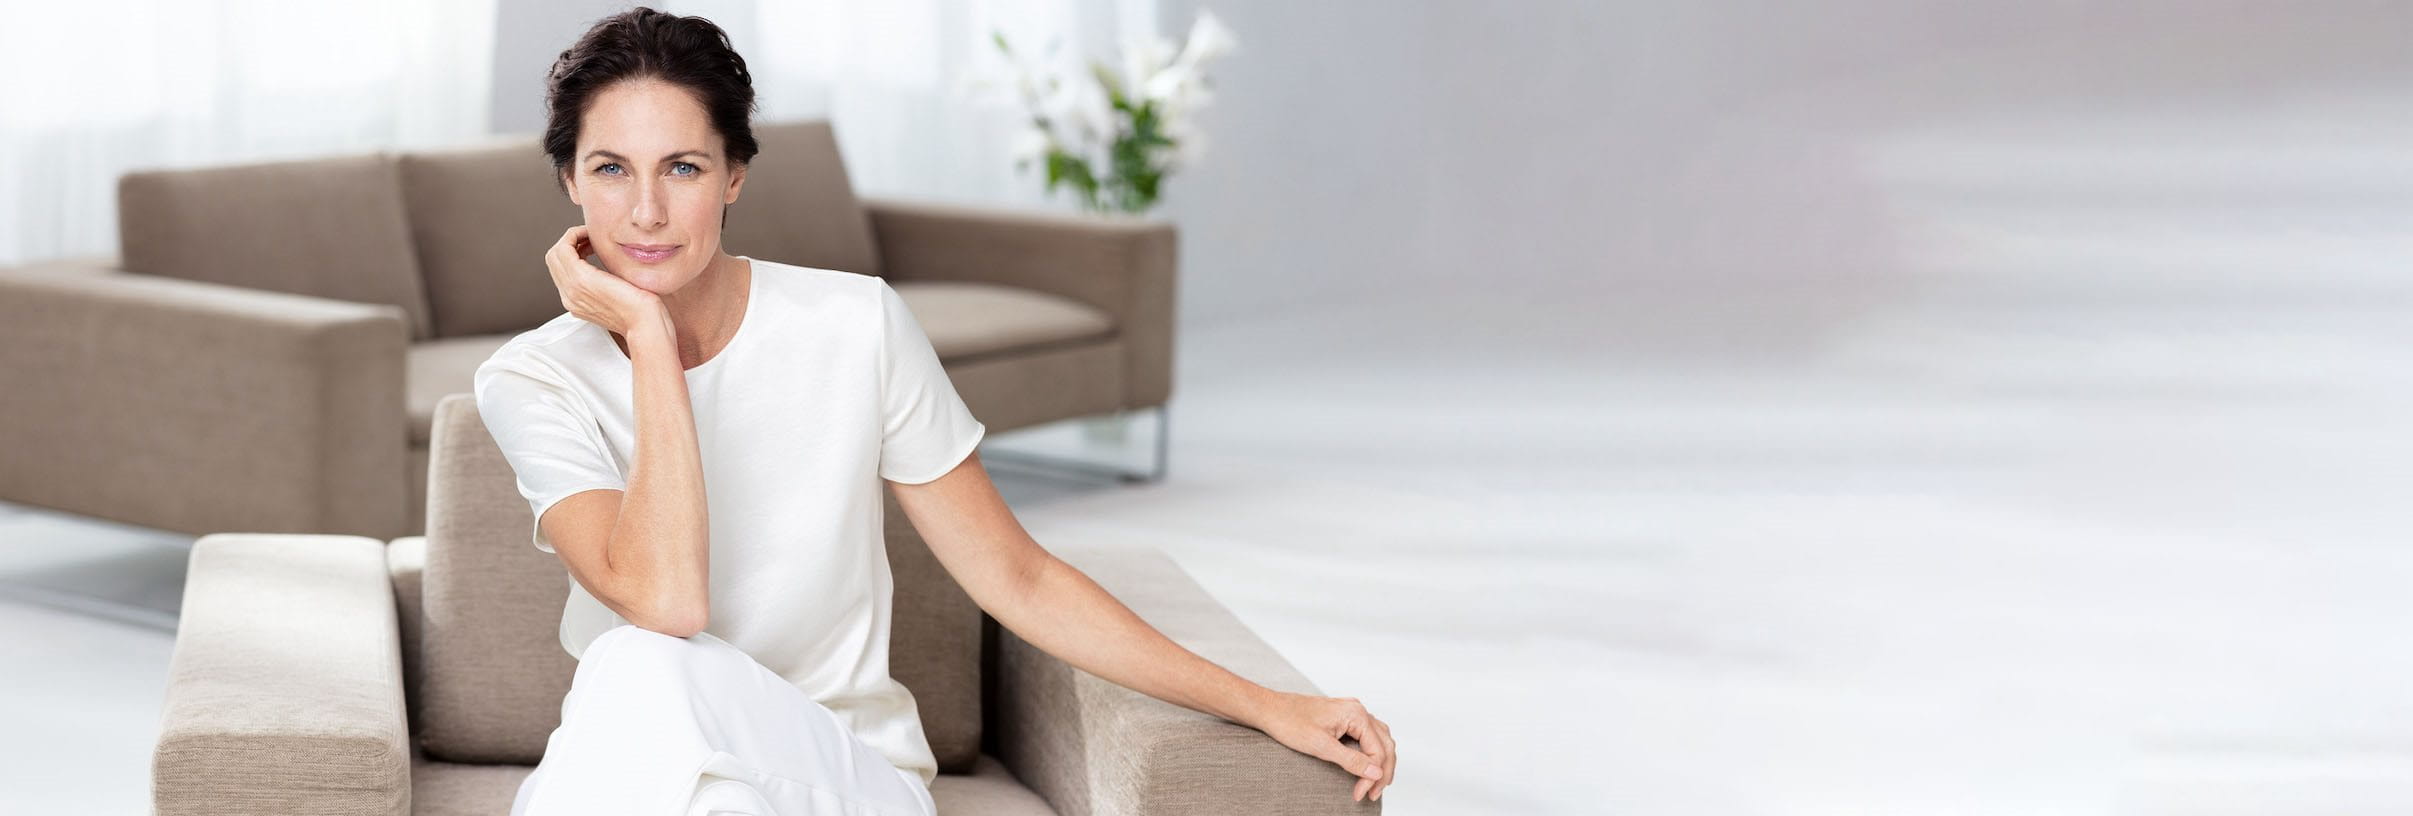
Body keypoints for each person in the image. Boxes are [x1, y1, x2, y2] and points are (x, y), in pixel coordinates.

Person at [475, 8, 1397, 814]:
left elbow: (1019, 578)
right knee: (678, 737)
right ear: (570, 183)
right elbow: (667, 598)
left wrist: (1265, 704)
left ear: (734, 177)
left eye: (681, 167)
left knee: (636, 661)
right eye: (610, 169)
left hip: (849, 775)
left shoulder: (855, 326)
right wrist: (651, 340)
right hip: (673, 774)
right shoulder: (532, 381)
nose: (644, 211)